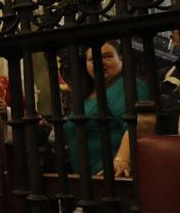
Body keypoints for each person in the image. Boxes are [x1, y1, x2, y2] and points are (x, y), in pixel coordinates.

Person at [63, 41, 147, 178]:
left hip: (114, 178)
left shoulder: (126, 85)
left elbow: (137, 124)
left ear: (121, 58)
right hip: (88, 180)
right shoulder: (91, 92)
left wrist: (122, 160)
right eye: (92, 59)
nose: (99, 62)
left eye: (107, 56)